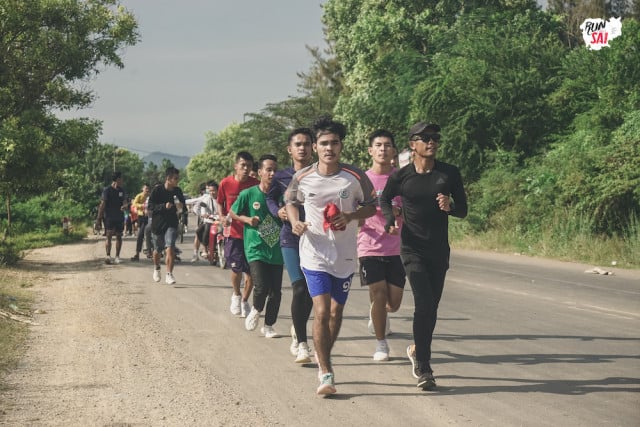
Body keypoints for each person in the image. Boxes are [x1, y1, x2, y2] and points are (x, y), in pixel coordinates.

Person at [285, 117, 376, 396]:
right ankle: (326, 373)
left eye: (334, 143)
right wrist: (294, 222)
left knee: (336, 313)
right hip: (314, 254)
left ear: (341, 146)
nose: (329, 148)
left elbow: (371, 207)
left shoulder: (356, 176)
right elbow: (290, 201)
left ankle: (323, 352)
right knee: (322, 311)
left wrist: (350, 215)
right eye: (323, 143)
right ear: (316, 146)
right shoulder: (303, 176)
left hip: (345, 256)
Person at [380, 121, 468, 390]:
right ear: (412, 144)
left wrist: (450, 206)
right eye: (425, 138)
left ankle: (417, 350)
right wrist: (389, 219)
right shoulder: (402, 176)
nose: (432, 141)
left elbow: (463, 209)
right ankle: (425, 368)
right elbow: (385, 199)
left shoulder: (449, 174)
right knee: (425, 304)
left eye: (435, 137)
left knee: (431, 309)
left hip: (438, 251)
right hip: (412, 249)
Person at [357, 129, 406, 362]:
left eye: (387, 145)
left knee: (393, 303)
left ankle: (380, 315)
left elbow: (414, 208)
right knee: (378, 293)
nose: (383, 149)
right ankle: (381, 344)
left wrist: (400, 212)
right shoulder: (362, 180)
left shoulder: (403, 179)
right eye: (378, 145)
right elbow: (354, 210)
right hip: (369, 246)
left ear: (394, 151)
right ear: (370, 150)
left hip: (397, 248)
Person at [266, 128, 315, 363]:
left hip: (316, 238)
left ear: (313, 147)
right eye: (298, 144)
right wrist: (279, 211)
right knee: (299, 288)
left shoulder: (321, 174)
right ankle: (302, 342)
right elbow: (269, 197)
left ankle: (298, 327)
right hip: (290, 238)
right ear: (290, 149)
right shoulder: (281, 177)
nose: (302, 148)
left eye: (307, 143)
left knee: (311, 292)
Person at [230, 155, 284, 338]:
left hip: (277, 249)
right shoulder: (248, 194)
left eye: (275, 170)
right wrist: (247, 219)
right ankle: (256, 309)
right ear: (260, 172)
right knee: (261, 285)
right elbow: (233, 212)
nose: (272, 173)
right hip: (255, 248)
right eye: (268, 169)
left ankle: (268, 326)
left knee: (276, 292)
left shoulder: (281, 195)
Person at [217, 151, 260, 317]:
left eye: (249, 166)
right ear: (236, 166)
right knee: (236, 269)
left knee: (252, 273)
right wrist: (222, 217)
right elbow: (220, 202)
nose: (246, 169)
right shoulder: (225, 183)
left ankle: (244, 301)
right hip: (233, 233)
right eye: (243, 165)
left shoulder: (255, 184)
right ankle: (236, 294)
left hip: (252, 234)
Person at [148, 167, 186, 285]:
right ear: (168, 178)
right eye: (175, 178)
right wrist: (164, 206)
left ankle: (169, 274)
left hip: (171, 223)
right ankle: (157, 267)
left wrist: (181, 207)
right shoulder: (157, 190)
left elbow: (183, 206)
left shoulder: (177, 191)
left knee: (170, 247)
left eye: (177, 178)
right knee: (157, 250)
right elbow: (150, 206)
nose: (177, 181)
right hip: (158, 224)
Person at [96, 171, 128, 264]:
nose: (122, 180)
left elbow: (125, 202)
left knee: (119, 236)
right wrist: (98, 218)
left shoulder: (122, 190)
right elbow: (103, 204)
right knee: (108, 235)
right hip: (109, 217)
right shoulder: (107, 190)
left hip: (119, 217)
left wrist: (125, 206)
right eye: (121, 178)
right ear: (117, 179)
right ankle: (108, 255)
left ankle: (117, 256)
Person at [187, 181, 219, 262]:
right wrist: (204, 214)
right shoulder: (206, 199)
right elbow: (201, 209)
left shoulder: (222, 198)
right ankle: (204, 249)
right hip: (209, 220)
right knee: (203, 229)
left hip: (221, 220)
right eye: (210, 190)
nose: (212, 192)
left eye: (213, 190)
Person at [130, 184, 151, 261]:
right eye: (146, 188)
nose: (147, 190)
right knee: (140, 235)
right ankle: (137, 254)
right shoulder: (139, 196)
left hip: (150, 217)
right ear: (142, 189)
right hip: (142, 218)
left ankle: (151, 251)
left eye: (148, 189)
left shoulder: (150, 197)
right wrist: (142, 206)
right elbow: (134, 204)